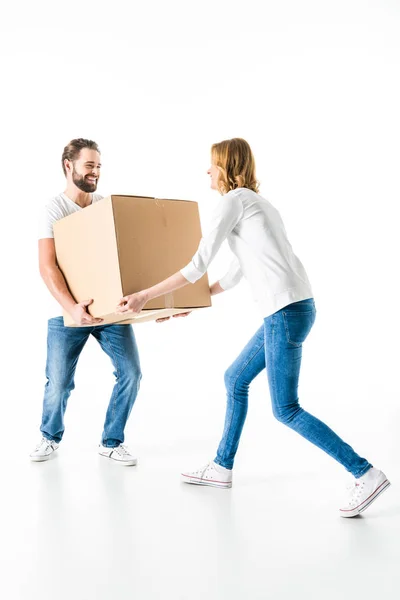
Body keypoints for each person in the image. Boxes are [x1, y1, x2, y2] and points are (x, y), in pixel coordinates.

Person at [116, 137, 390, 516]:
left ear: (226, 166)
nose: (207, 171)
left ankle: (366, 473)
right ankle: (222, 467)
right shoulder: (258, 205)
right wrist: (189, 305)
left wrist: (147, 296)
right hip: (293, 309)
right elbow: (233, 274)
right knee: (235, 379)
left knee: (286, 409)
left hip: (283, 313)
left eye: (212, 164)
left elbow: (198, 264)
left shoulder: (232, 202)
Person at [30, 138, 141, 465]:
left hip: (108, 309)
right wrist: (71, 307)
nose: (95, 172)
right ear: (69, 165)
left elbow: (123, 258)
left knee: (132, 373)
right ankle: (49, 437)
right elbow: (47, 265)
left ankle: (111, 440)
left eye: (99, 166)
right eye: (89, 165)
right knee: (60, 381)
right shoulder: (53, 209)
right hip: (66, 312)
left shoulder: (104, 206)